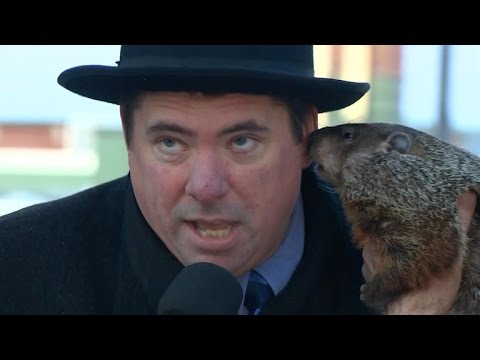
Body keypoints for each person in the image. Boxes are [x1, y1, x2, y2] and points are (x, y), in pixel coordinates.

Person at [0, 45, 476, 315]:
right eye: (170, 143)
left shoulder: (427, 276)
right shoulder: (17, 270)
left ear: (305, 136)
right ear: (128, 135)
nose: (205, 187)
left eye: (242, 142)